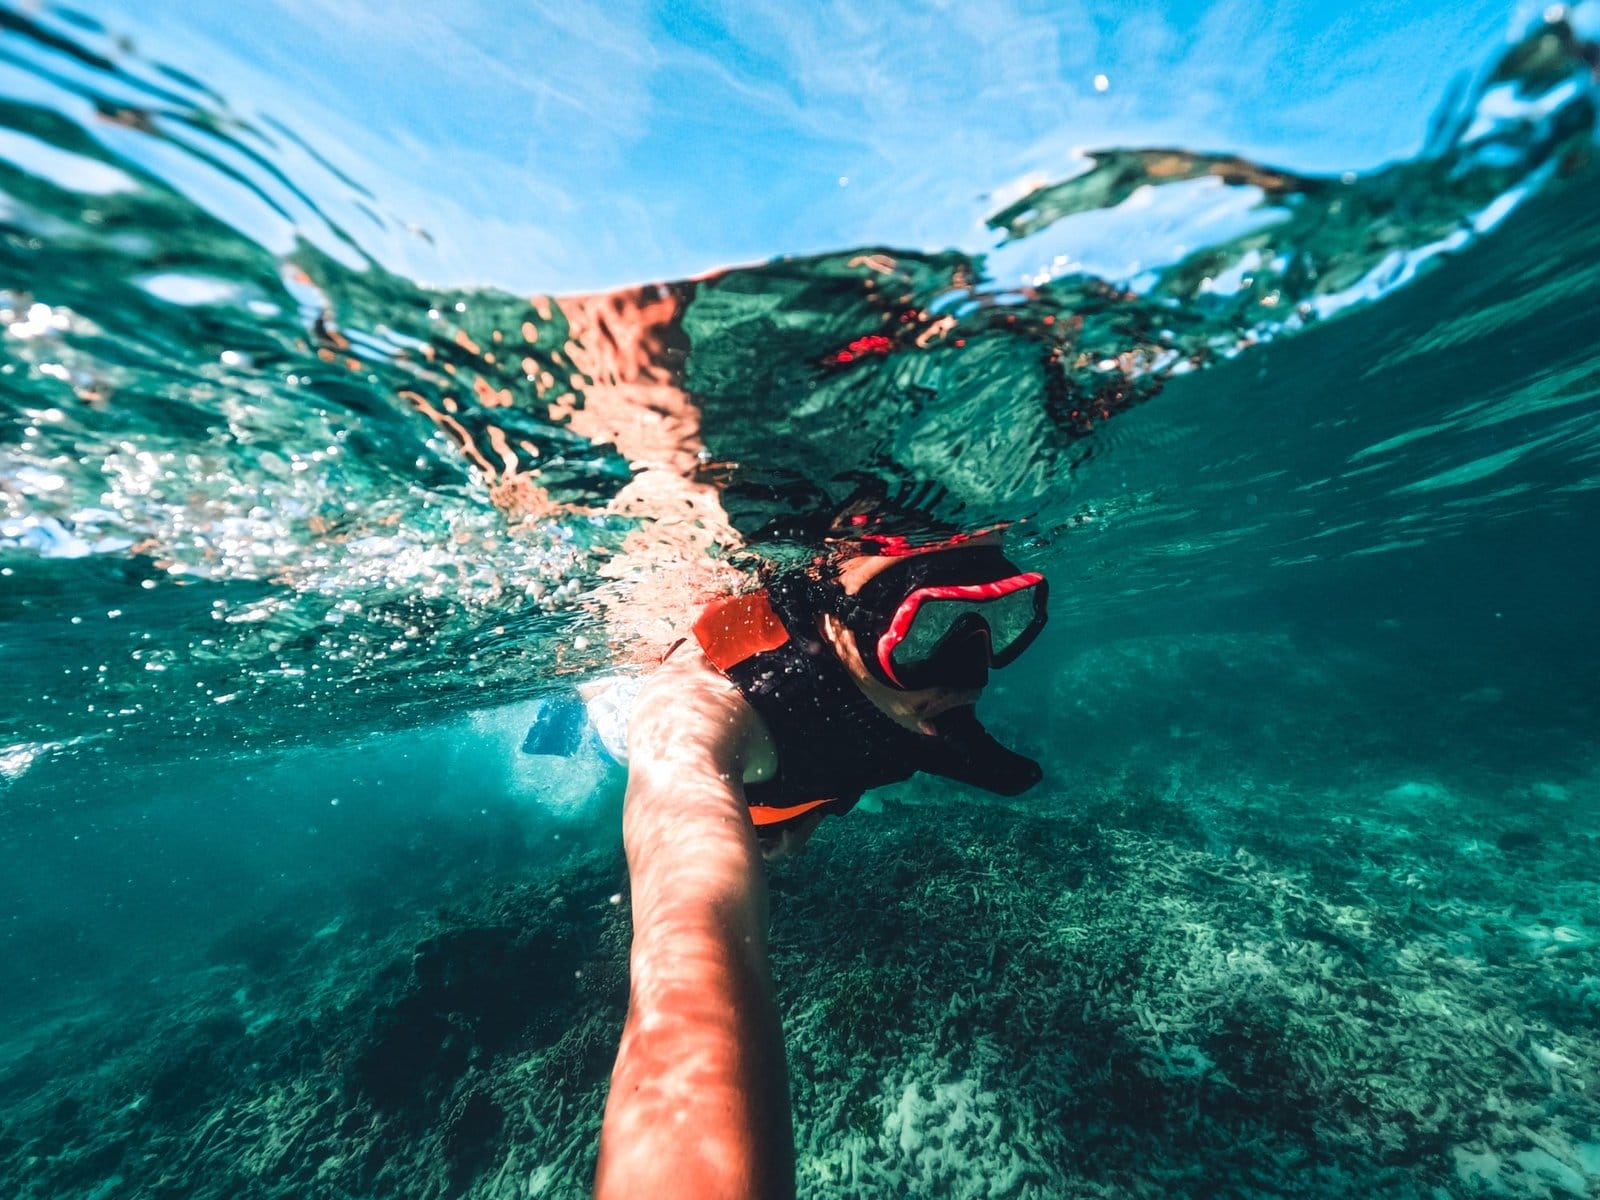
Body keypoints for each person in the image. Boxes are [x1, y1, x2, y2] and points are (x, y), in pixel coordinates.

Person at [591, 533, 1049, 1200]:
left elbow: (863, 744)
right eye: (921, 627)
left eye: (998, 620)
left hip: (792, 778)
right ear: (835, 615)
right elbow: (695, 933)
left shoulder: (905, 690)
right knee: (611, 723)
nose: (968, 672)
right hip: (664, 725)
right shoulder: (694, 708)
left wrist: (814, 809)